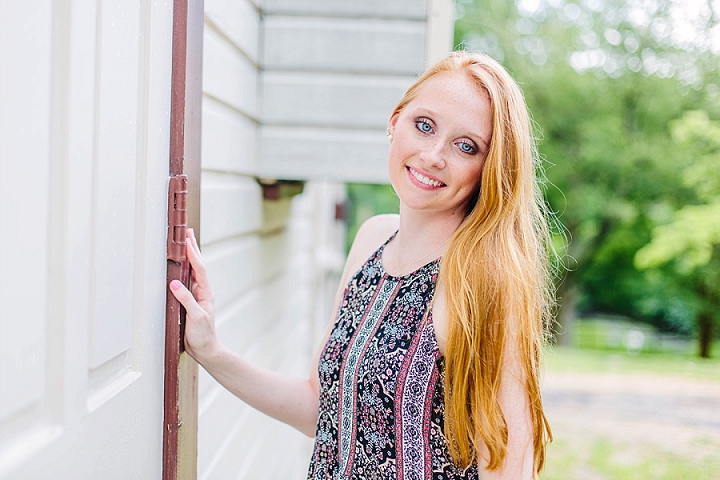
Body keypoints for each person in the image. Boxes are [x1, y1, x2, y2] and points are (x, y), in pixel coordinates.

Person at [170, 51, 555, 479]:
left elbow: (509, 466)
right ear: (395, 122)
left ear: (489, 168)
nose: (433, 155)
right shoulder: (373, 239)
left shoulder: (484, 280)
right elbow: (321, 411)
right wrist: (211, 352)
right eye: (424, 125)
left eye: (466, 146)